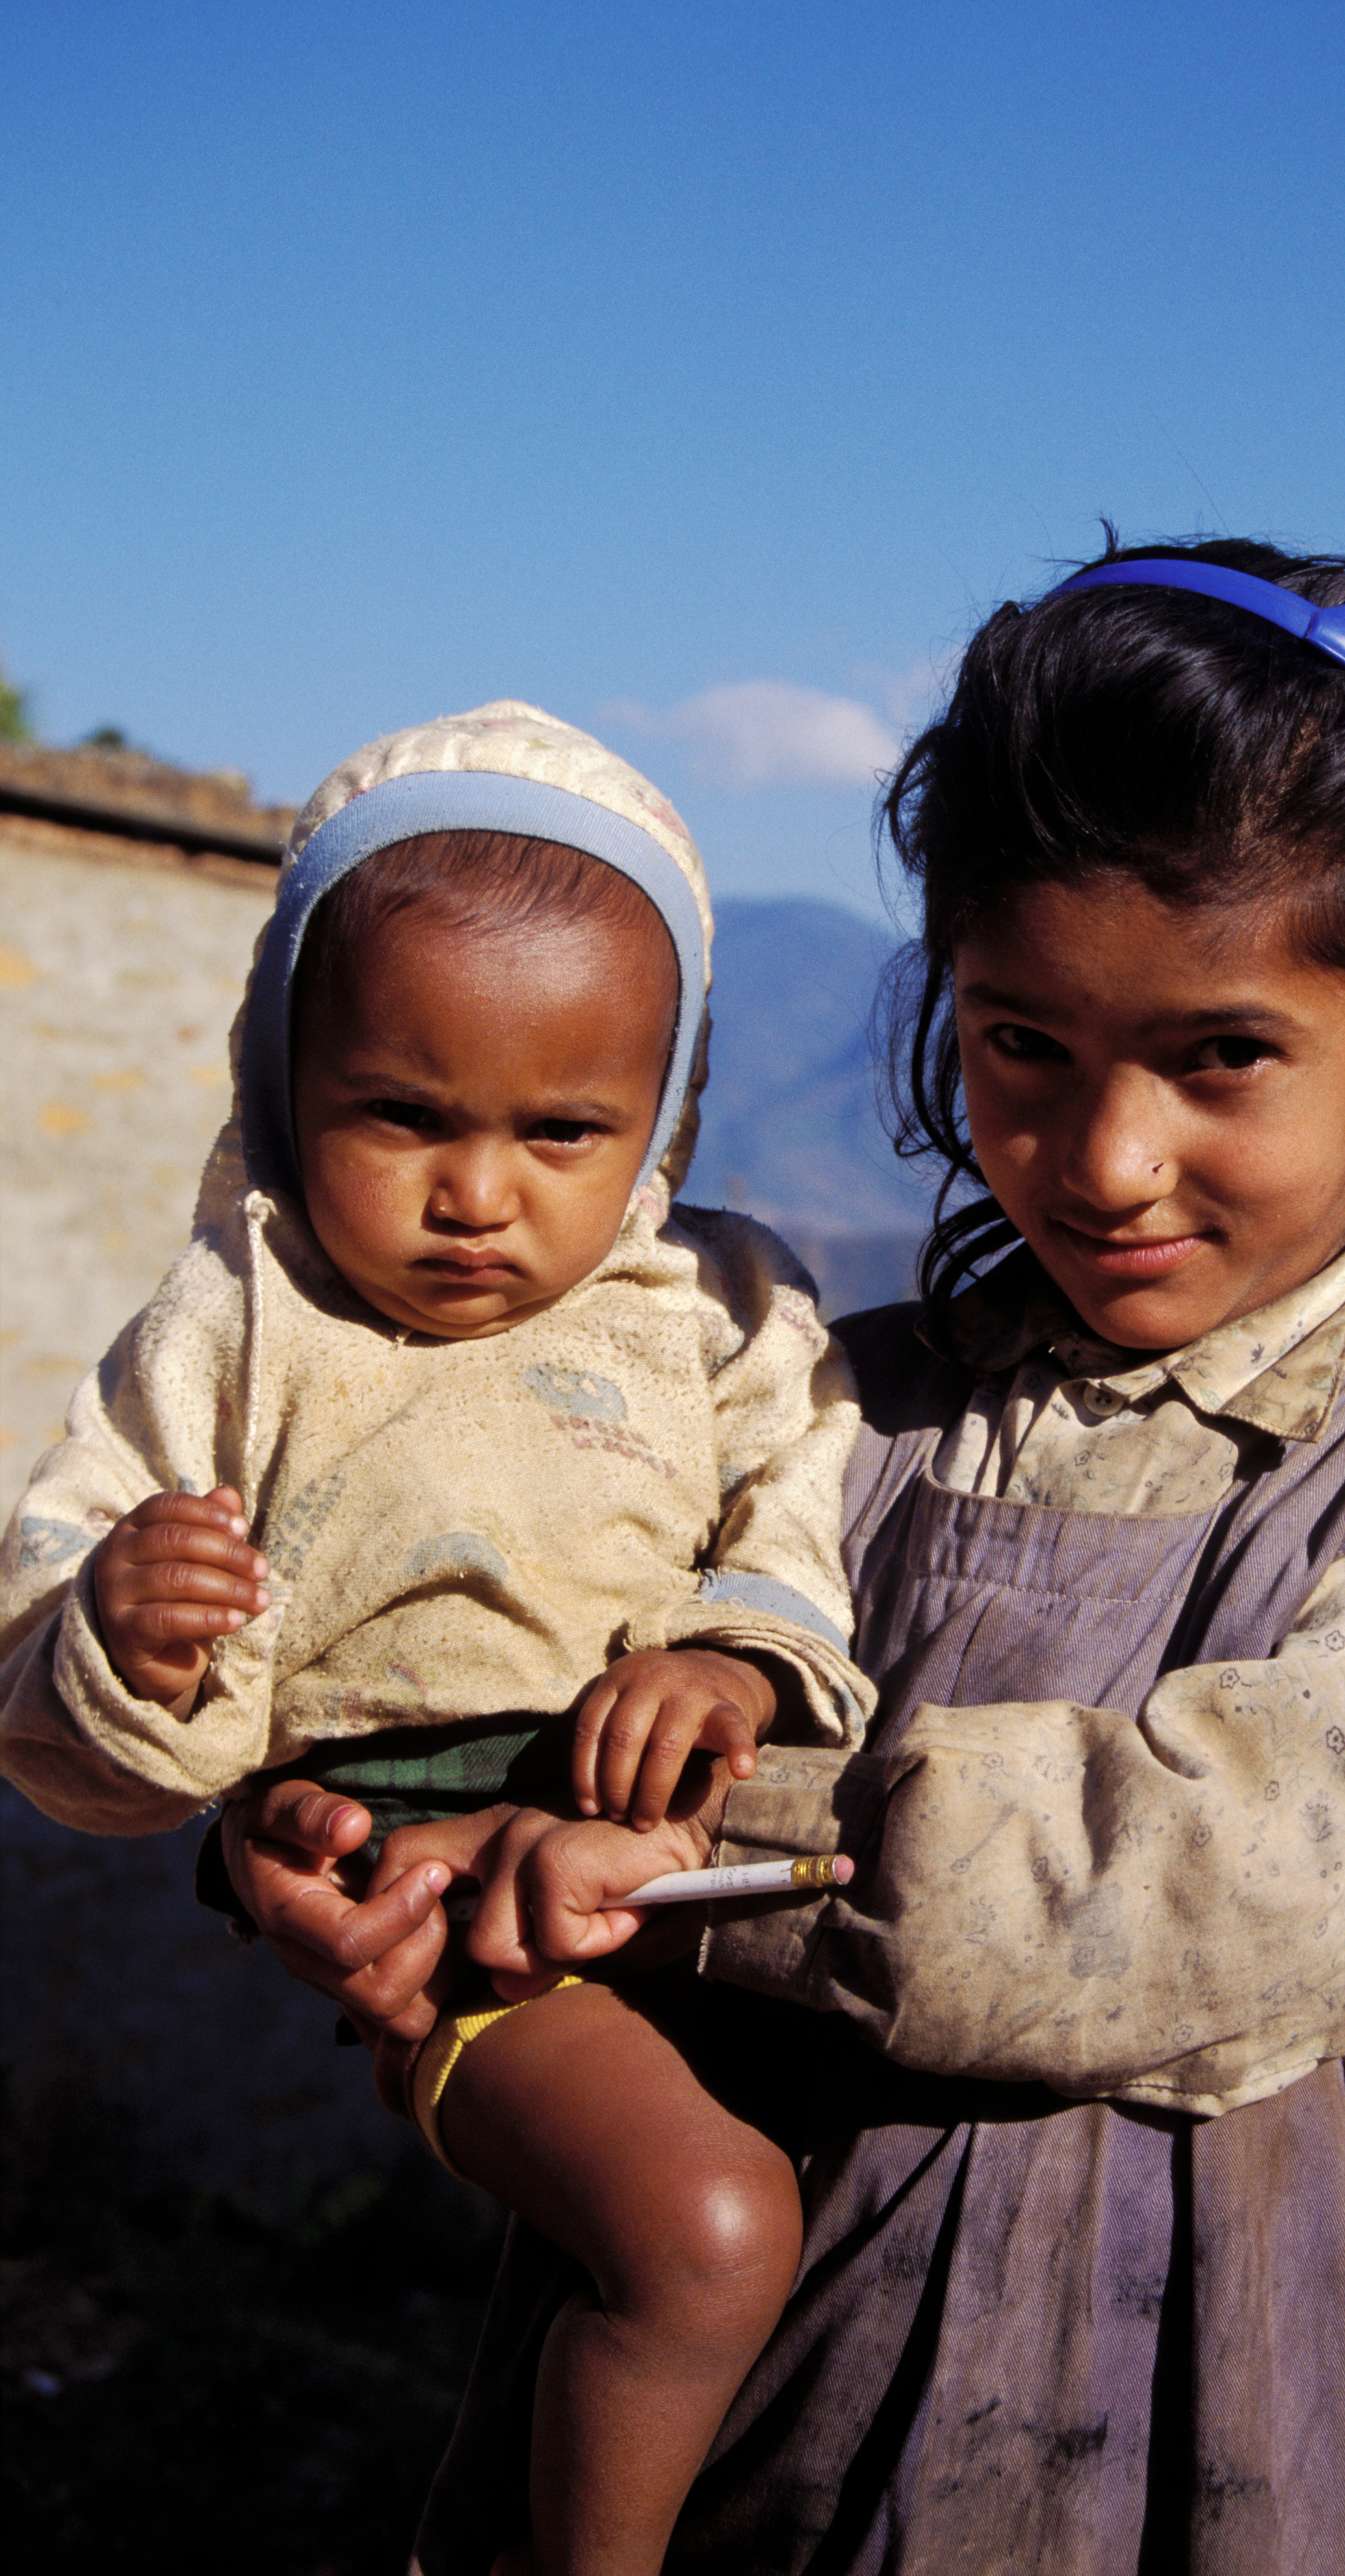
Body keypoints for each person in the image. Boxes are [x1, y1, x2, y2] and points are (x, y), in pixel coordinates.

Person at [220, 545, 1345, 2575]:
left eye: (1220, 1058)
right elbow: (469, 1672)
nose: (1105, 1159)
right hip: (818, 2404)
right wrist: (325, 1831)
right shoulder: (824, 1399)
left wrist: (658, 1848)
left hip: (1316, 2381)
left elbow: (1244, 1888)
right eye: (1021, 1043)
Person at [0, 701, 879, 2576]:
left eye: (564, 1128)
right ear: (281, 1074)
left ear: (668, 1118)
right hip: (440, 1914)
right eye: (403, 1113)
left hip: (675, 1875)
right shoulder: (234, 1326)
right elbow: (51, 1637)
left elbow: (801, 1499)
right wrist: (124, 1627)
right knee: (709, 2227)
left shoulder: (715, 1306)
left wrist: (732, 1657)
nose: (479, 1192)